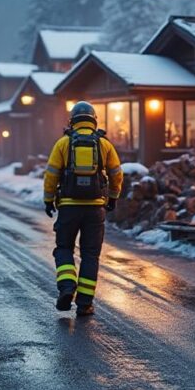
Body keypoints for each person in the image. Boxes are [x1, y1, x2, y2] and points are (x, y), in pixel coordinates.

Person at [43, 101, 123, 316]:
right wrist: (113, 197)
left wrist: (48, 199)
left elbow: (51, 174)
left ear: (72, 121)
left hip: (68, 207)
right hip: (95, 208)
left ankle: (67, 287)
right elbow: (116, 174)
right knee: (90, 254)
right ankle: (85, 303)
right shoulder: (104, 144)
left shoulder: (63, 143)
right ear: (94, 120)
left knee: (64, 248)